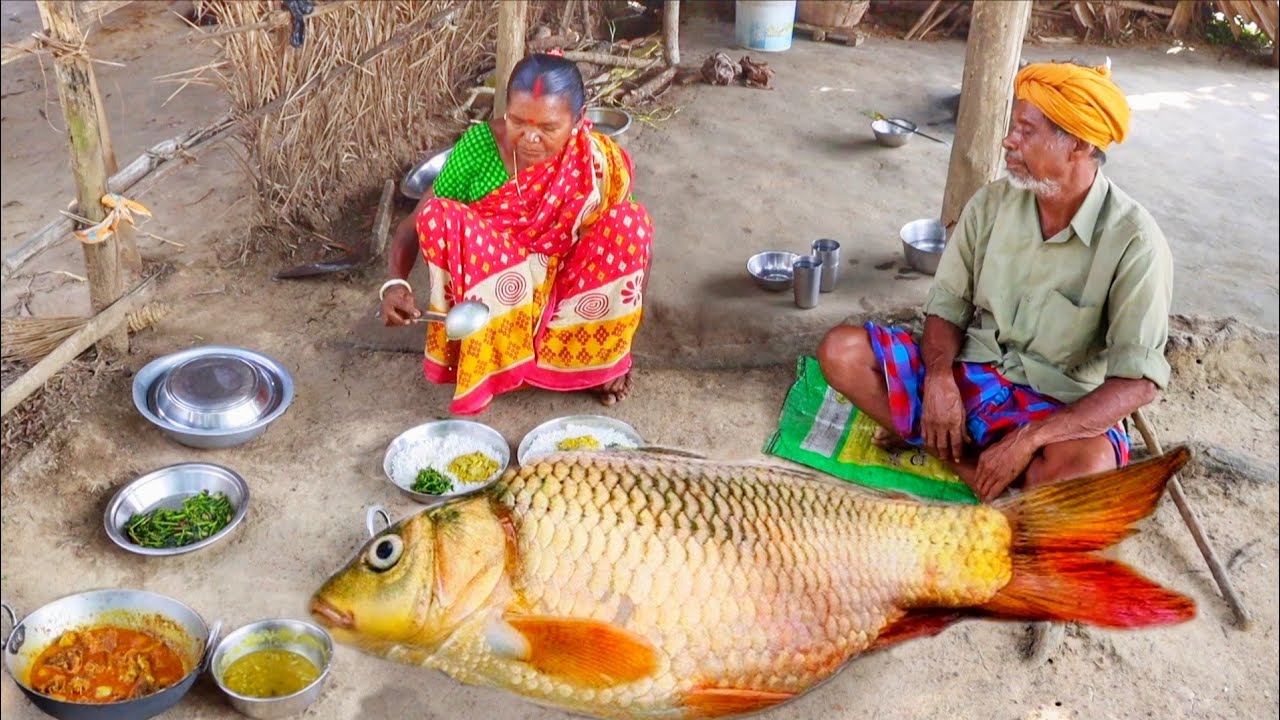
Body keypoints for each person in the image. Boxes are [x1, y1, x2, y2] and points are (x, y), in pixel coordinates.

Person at [818, 60, 1173, 503]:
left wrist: (1030, 439)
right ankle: (970, 466)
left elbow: (1138, 381)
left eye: (1027, 131)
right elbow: (947, 306)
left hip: (1056, 408)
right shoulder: (990, 205)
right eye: (1013, 127)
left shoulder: (1135, 241)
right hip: (973, 375)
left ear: (1078, 145)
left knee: (1085, 472)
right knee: (842, 352)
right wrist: (940, 380)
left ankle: (958, 450)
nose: (1009, 140)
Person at [381, 53, 653, 416]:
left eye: (548, 127)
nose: (530, 138)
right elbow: (413, 224)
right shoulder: (480, 147)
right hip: (501, 290)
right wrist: (395, 284)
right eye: (518, 121)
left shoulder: (596, 159)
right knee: (437, 215)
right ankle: (495, 358)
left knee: (631, 224)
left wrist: (621, 345)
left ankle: (590, 362)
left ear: (579, 118)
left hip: (568, 290)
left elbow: (636, 254)